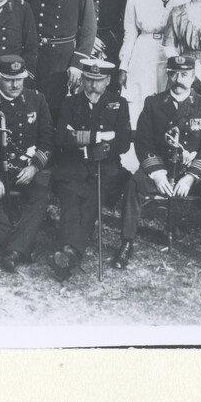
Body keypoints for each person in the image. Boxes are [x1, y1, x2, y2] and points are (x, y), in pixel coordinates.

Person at [114, 55, 201, 273]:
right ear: (168, 75)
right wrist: (156, 173)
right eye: (174, 74)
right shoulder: (153, 103)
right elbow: (143, 142)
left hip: (192, 170)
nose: (178, 79)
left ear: (193, 77)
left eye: (184, 74)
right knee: (133, 185)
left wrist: (191, 175)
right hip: (161, 167)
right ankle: (126, 243)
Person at [47, 54, 134, 280]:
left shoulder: (119, 103)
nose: (94, 85)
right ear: (82, 80)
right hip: (74, 166)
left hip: (106, 169)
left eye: (99, 80)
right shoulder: (69, 102)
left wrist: (105, 148)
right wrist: (100, 136)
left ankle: (69, 251)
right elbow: (61, 137)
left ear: (108, 81)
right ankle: (71, 251)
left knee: (91, 202)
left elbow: (123, 141)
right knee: (70, 202)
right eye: (89, 79)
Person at [0, 54, 56, 272]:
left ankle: (14, 250)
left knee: (41, 196)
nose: (15, 84)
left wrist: (34, 166)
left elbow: (48, 141)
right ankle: (21, 246)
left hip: (26, 170)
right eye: (9, 79)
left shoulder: (37, 100)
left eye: (19, 79)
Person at [120, 0, 187, 109]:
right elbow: (130, 33)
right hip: (143, 50)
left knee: (169, 94)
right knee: (142, 96)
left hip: (170, 49)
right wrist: (123, 65)